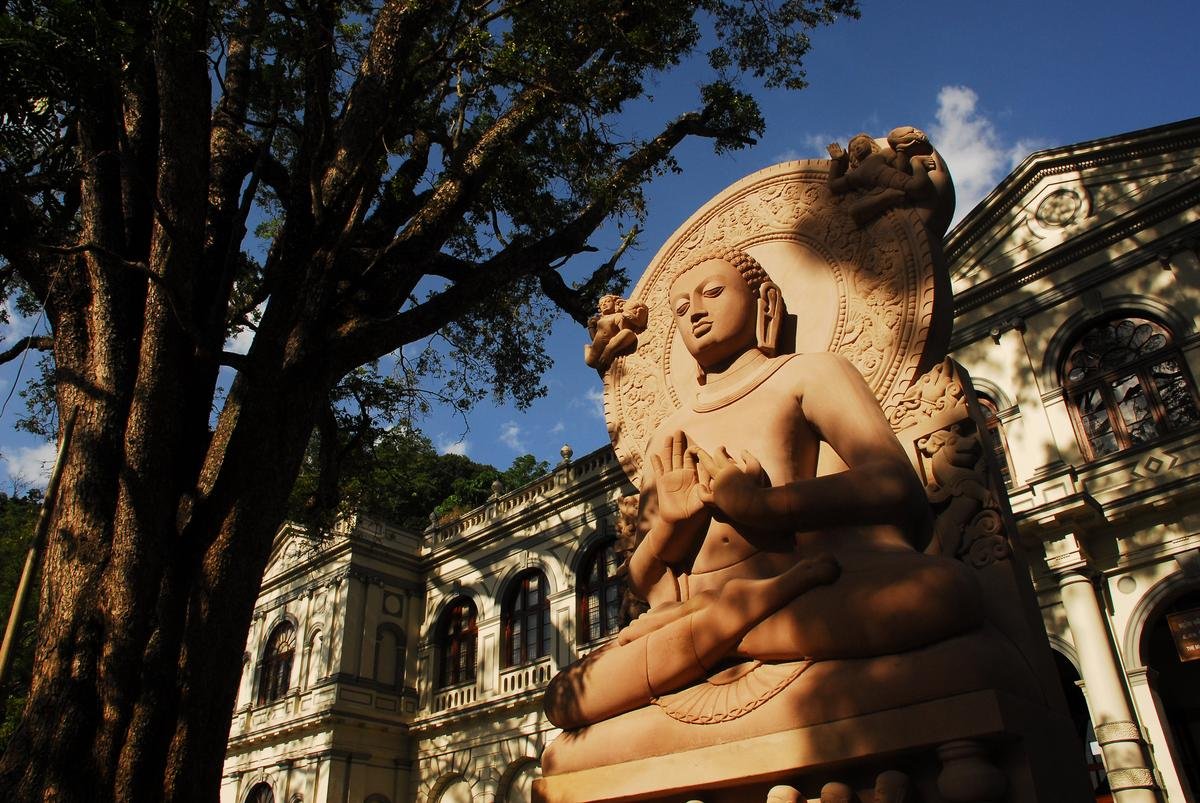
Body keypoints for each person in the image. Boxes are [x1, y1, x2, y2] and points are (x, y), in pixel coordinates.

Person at [544, 248, 982, 730]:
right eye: (683, 309)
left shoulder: (809, 374)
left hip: (808, 588)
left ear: (764, 302)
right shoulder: (668, 432)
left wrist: (763, 506)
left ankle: (721, 632)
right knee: (563, 698)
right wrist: (671, 522)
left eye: (713, 293)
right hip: (701, 611)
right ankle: (730, 625)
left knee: (942, 593)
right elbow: (646, 579)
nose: (698, 313)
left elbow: (896, 485)